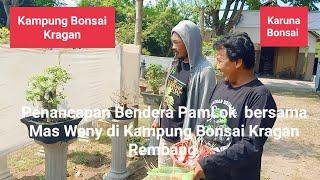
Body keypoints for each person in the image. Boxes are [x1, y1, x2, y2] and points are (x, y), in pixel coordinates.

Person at [192, 32, 277, 180]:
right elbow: (208, 119)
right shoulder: (222, 86)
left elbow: (250, 146)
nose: (217, 67)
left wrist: (207, 164)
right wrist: (196, 137)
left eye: (220, 61)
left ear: (238, 62)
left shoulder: (260, 97)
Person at [152, 20, 216, 167]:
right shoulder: (175, 63)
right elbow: (167, 94)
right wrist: (158, 119)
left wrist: (194, 137)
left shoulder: (204, 72)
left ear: (189, 43)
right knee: (163, 176)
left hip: (184, 142)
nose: (172, 47)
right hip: (166, 136)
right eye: (172, 42)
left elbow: (205, 110)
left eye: (176, 43)